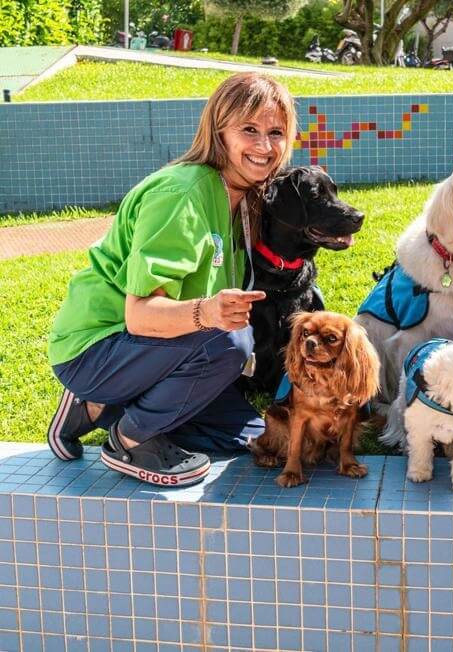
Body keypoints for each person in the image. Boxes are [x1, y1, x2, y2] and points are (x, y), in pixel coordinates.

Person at [46, 72, 298, 487]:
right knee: (229, 341)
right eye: (249, 130)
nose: (264, 146)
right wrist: (211, 311)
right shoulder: (181, 194)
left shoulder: (244, 199)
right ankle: (127, 439)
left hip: (160, 350)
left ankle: (98, 406)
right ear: (219, 130)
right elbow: (140, 317)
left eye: (276, 132)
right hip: (101, 345)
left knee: (254, 437)